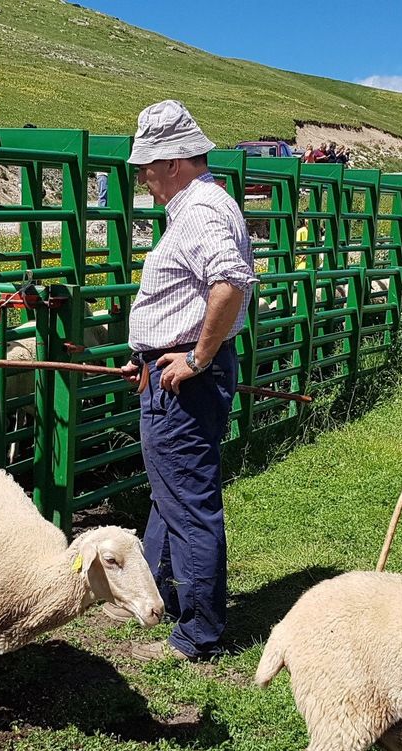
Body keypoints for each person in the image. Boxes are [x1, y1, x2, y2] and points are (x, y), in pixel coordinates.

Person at [113, 100, 255, 662]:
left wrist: (192, 359)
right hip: (169, 371)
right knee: (173, 493)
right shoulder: (198, 206)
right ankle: (160, 596)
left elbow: (229, 282)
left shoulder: (200, 210)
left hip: (184, 380)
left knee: (189, 502)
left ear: (174, 161)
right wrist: (148, 356)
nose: (142, 176)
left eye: (147, 165)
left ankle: (200, 631)